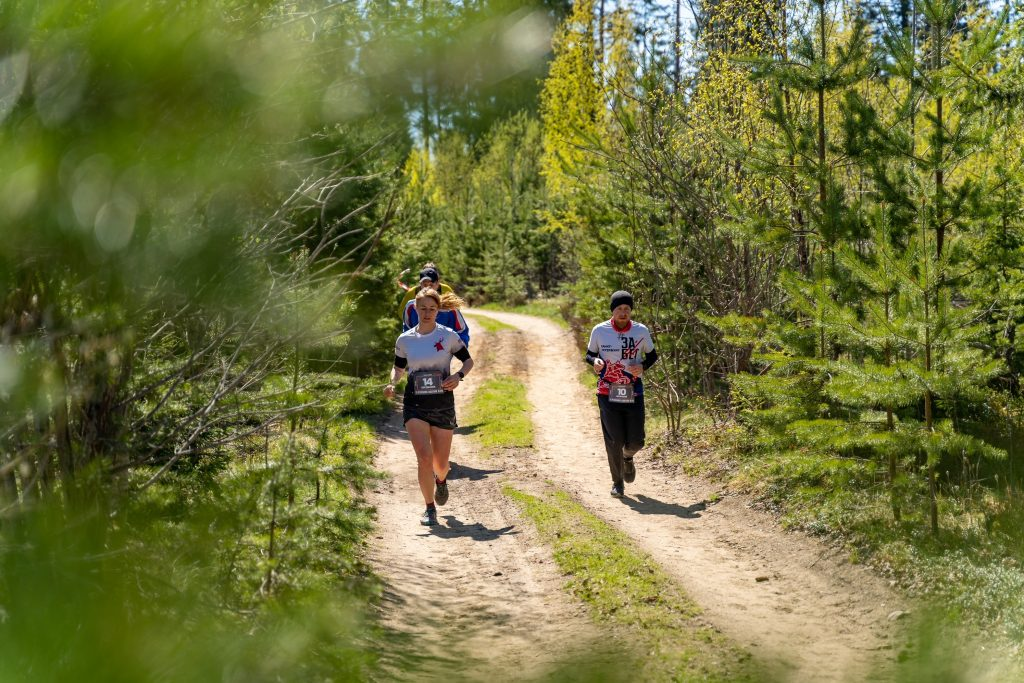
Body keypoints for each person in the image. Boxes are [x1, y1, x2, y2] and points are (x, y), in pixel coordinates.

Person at [385, 287, 474, 526]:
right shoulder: (405, 340)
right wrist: (392, 382)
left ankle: (441, 481)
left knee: (441, 465)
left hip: (442, 402)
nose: (427, 313)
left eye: (432, 309)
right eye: (422, 308)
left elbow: (468, 361)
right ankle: (429, 508)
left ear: (438, 310)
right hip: (415, 403)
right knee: (424, 457)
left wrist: (458, 377)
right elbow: (399, 367)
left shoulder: (448, 336)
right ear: (414, 308)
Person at [585, 290, 658, 498]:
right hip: (607, 391)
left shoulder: (641, 331)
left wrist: (642, 366)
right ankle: (617, 483)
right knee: (614, 440)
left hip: (633, 391)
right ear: (613, 311)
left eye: (627, 309)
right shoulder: (600, 331)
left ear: (631, 311)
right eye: (619, 309)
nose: (623, 313)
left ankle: (628, 457)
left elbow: (652, 355)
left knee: (637, 441)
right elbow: (589, 355)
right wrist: (595, 362)